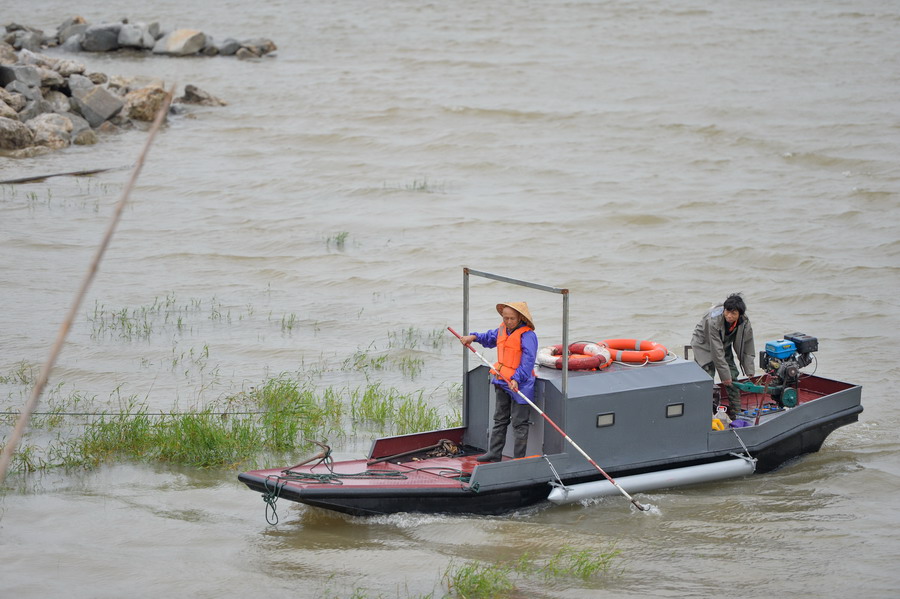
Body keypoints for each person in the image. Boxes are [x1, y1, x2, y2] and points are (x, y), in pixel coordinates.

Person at [459, 302, 538, 462]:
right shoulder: (502, 329)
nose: (508, 321)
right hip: (502, 380)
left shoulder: (528, 335)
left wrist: (517, 379)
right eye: (505, 318)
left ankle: (518, 458)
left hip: (521, 384)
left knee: (519, 423)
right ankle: (494, 453)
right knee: (500, 418)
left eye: (512, 319)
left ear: (520, 318)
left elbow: (528, 360)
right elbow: (488, 338)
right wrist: (473, 337)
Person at [691, 293, 756, 417]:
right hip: (704, 343)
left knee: (733, 377)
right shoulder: (714, 321)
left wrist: (749, 371)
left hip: (724, 343)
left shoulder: (745, 322)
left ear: (740, 315)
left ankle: (736, 413)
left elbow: (747, 346)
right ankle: (705, 415)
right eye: (727, 312)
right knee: (707, 377)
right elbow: (716, 352)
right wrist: (725, 377)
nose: (729, 316)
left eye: (733, 313)